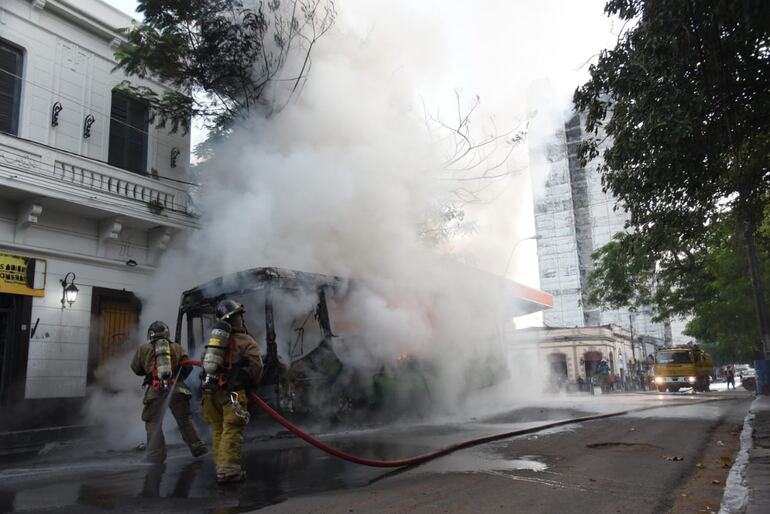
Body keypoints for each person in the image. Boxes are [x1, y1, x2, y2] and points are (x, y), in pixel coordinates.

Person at [201, 299, 263, 484]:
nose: (241, 320)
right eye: (239, 316)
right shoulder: (246, 341)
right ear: (235, 319)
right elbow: (256, 367)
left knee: (218, 430)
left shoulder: (213, 343)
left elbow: (204, 364)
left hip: (210, 394)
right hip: (233, 394)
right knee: (232, 429)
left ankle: (220, 467)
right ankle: (228, 472)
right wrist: (252, 385)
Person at [130, 321, 207, 464]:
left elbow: (135, 368)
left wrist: (148, 372)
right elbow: (188, 367)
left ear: (150, 334)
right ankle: (197, 446)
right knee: (184, 420)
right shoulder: (177, 347)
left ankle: (155, 455)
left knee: (153, 423)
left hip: (155, 391)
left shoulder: (144, 348)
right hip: (177, 390)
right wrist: (178, 378)